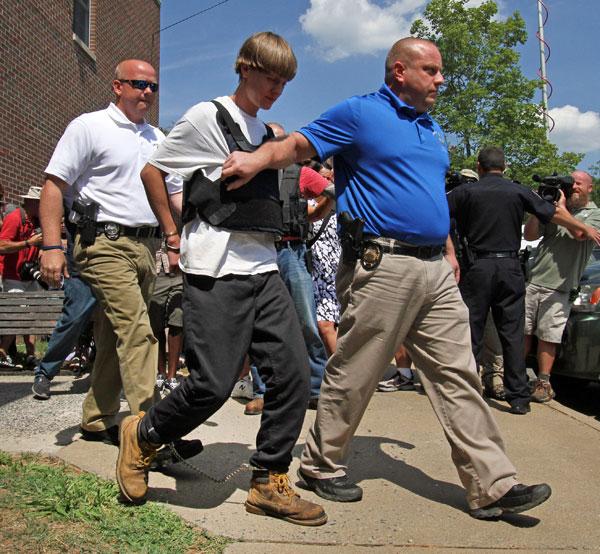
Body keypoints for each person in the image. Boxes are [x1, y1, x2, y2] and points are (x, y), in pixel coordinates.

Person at [221, 37, 553, 519]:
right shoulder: (359, 113)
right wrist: (256, 158)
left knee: (458, 373)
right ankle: (320, 463)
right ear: (400, 71)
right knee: (356, 370)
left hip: (435, 270)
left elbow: (427, 195)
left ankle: (493, 485)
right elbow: (299, 144)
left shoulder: (432, 128)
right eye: (432, 70)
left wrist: (445, 250)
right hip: (384, 264)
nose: (442, 79)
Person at [116, 32, 326, 526]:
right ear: (245, 67)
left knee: (294, 374)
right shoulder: (204, 117)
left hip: (265, 266)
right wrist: (172, 232)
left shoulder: (270, 131)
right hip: (214, 268)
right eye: (271, 76)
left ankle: (268, 480)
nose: (277, 87)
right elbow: (153, 170)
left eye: (285, 81)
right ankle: (143, 436)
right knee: (211, 384)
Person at [38, 59, 200, 466]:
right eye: (138, 84)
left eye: (153, 87)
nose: (146, 92)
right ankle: (152, 433)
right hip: (102, 244)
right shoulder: (89, 126)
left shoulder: (158, 139)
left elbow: (176, 196)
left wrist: (204, 223)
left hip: (147, 249)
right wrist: (52, 246)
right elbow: (54, 185)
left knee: (114, 333)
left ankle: (97, 418)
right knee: (140, 333)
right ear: (116, 86)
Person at [448, 147, 599, 414]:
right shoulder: (518, 191)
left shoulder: (464, 192)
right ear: (504, 168)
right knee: (512, 333)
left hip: (478, 267)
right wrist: (583, 227)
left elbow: (439, 217)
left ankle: (467, 392)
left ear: (480, 167)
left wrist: (451, 252)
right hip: (509, 267)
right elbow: (552, 214)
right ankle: (518, 397)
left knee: (472, 330)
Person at [244, 133, 332, 416]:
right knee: (259, 325)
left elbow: (332, 192)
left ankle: (316, 389)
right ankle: (262, 391)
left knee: (306, 320)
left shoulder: (302, 173)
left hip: (292, 252)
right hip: (259, 252)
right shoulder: (253, 172)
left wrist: (315, 213)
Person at [524, 170, 600, 402]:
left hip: (561, 285)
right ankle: (515, 376)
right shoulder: (554, 208)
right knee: (523, 332)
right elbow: (529, 235)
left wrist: (561, 208)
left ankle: (543, 382)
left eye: (579, 183)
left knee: (548, 335)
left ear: (590, 188)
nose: (574, 186)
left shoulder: (594, 214)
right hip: (534, 278)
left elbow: (579, 233)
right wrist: (540, 208)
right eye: (571, 183)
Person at [31, 199, 97, 400]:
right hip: (81, 251)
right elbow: (53, 196)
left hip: (118, 250)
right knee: (75, 315)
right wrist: (52, 247)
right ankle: (44, 373)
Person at [0, 186, 43, 369]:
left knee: (32, 315)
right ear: (32, 203)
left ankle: (31, 355)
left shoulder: (36, 222)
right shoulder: (15, 217)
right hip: (12, 275)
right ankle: (2, 351)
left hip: (29, 276)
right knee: (18, 314)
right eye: (41, 203)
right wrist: (27, 243)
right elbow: (2, 245)